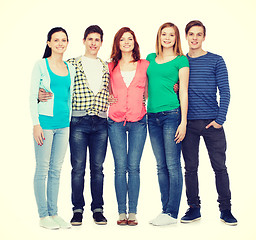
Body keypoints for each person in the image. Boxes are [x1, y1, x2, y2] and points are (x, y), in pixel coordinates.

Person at [38, 25, 109, 226]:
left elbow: (113, 89)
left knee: (98, 168)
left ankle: (98, 209)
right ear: (84, 41)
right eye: (90, 39)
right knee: (78, 168)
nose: (94, 43)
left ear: (101, 43)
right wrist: (38, 95)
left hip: (101, 122)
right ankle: (77, 210)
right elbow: (55, 84)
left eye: (97, 40)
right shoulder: (71, 64)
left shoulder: (106, 66)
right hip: (77, 122)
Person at [180, 20, 237, 226]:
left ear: (204, 37)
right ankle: (194, 208)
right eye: (191, 34)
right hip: (189, 124)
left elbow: (226, 92)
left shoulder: (216, 60)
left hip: (212, 124)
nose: (194, 38)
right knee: (190, 168)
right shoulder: (181, 62)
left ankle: (226, 209)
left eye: (199, 34)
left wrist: (220, 120)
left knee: (219, 167)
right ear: (186, 36)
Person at [30, 27, 76, 229]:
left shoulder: (69, 67)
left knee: (56, 170)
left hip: (64, 125)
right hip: (45, 124)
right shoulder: (40, 65)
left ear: (67, 43)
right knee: (42, 169)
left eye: (63, 40)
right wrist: (36, 124)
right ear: (48, 43)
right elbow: (33, 96)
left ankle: (54, 213)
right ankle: (43, 216)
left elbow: (69, 95)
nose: (60, 43)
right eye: (56, 40)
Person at [146, 22, 189, 226]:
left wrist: (184, 122)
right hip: (151, 117)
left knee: (172, 165)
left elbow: (183, 91)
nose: (167, 38)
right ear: (159, 36)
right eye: (164, 34)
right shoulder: (150, 58)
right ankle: (165, 211)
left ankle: (172, 212)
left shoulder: (181, 60)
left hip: (172, 114)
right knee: (160, 166)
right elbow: (143, 85)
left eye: (171, 35)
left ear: (176, 38)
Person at [108, 27, 149, 226]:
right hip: (115, 121)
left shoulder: (145, 64)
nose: (126, 42)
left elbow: (153, 88)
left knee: (134, 167)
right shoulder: (110, 66)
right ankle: (120, 212)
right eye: (122, 39)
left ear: (135, 42)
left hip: (138, 121)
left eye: (130, 38)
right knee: (119, 167)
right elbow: (102, 89)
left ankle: (132, 212)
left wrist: (174, 87)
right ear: (117, 43)